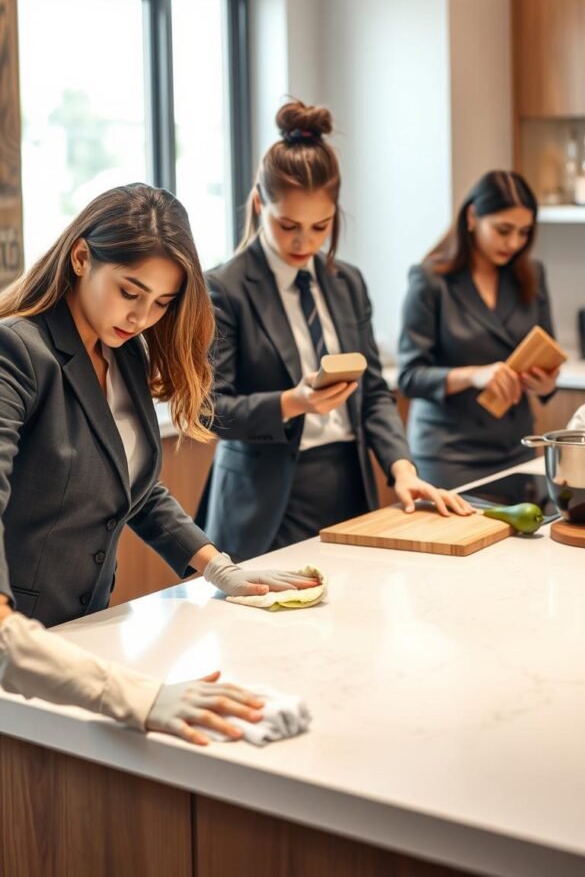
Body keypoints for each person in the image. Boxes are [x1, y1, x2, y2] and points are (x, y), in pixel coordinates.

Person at [0, 183, 317, 746]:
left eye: (162, 303)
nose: (143, 317)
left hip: (84, 632)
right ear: (81, 258)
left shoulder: (122, 351)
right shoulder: (17, 351)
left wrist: (220, 568)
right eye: (131, 292)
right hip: (23, 649)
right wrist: (136, 696)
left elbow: (135, 489)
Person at [197, 100, 471, 560]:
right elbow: (209, 410)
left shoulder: (347, 282)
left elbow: (375, 394)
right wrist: (292, 402)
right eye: (287, 226)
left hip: (348, 485)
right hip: (263, 506)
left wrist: (401, 468)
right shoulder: (222, 289)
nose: (304, 242)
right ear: (260, 204)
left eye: (320, 226)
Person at [398, 170, 559, 489]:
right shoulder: (430, 279)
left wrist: (544, 385)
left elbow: (547, 357)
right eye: (503, 230)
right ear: (472, 217)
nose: (514, 243)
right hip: (450, 454)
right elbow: (409, 377)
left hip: (518, 446)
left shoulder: (532, 275)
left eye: (524, 232)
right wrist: (473, 375)